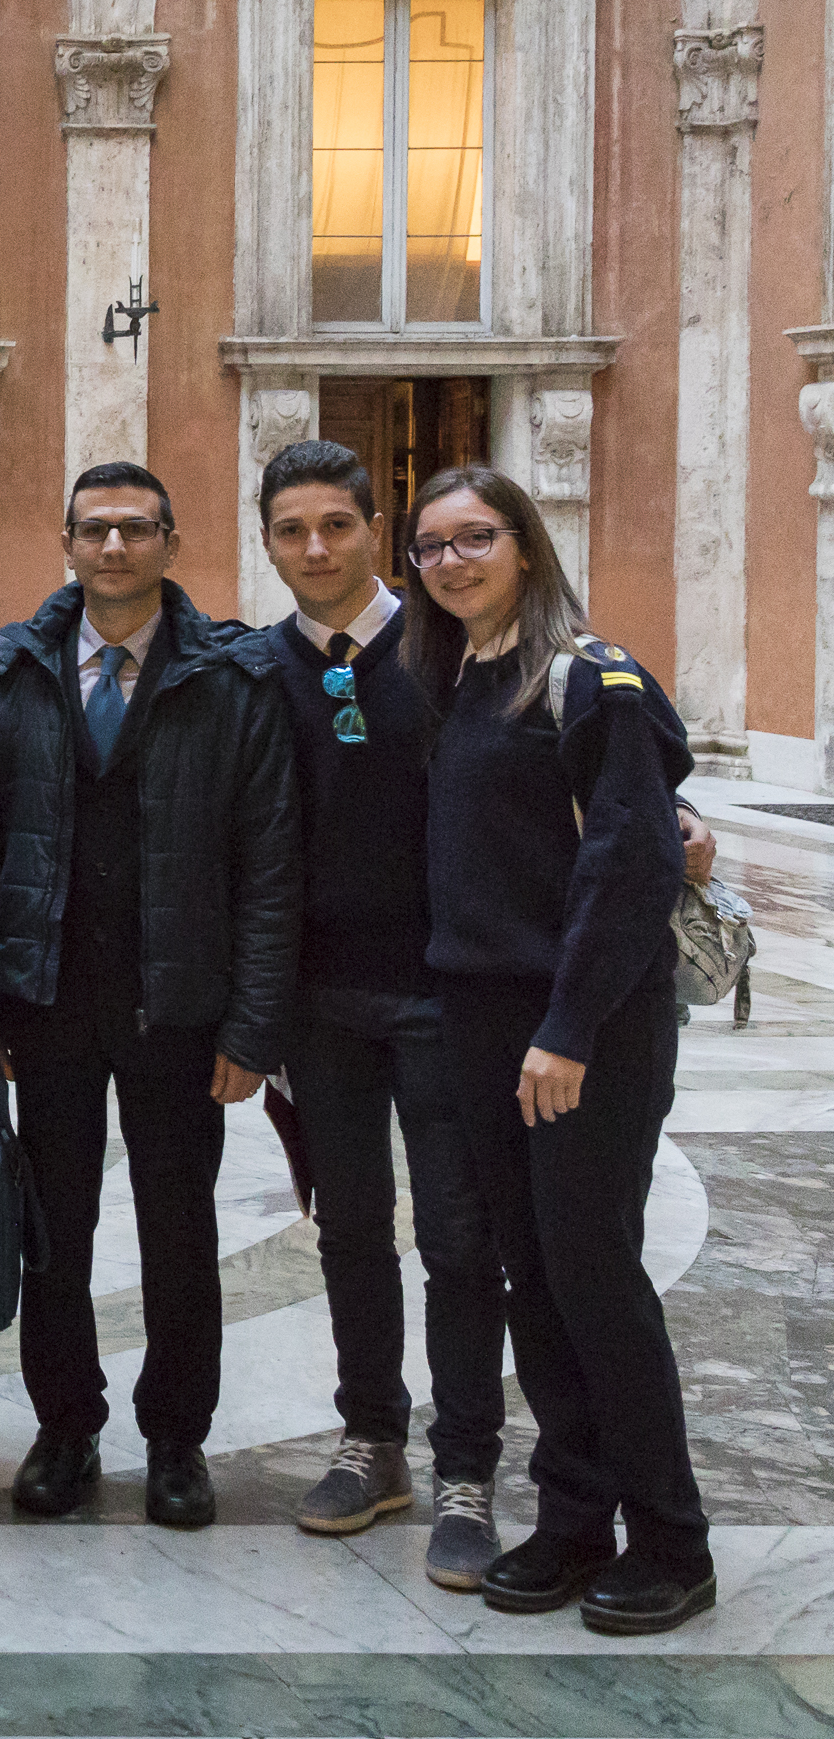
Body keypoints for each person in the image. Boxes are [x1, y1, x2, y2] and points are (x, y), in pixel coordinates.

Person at [0, 462, 298, 1532]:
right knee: (52, 1228)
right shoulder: (13, 671)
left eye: (135, 530)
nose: (114, 548)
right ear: (66, 543)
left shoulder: (232, 679)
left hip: (179, 1005)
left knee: (179, 1230)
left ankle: (175, 1440)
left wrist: (252, 1025)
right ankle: (65, 1428)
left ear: (170, 542)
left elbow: (271, 866)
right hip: (44, 1002)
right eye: (95, 530)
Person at [407, 466, 713, 1636]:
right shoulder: (459, 676)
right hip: (485, 1019)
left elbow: (633, 861)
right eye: (431, 548)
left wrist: (569, 1029)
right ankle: (577, 1517)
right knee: (532, 1277)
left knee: (595, 1277)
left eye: (475, 539)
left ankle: (673, 1540)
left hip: (582, 1023)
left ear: (525, 547)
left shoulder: (591, 675)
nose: (452, 563)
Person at [247, 441, 506, 1589]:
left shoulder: (455, 649)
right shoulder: (256, 670)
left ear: (374, 528)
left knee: (458, 1240)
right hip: (321, 1003)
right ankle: (375, 1441)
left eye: (336, 527)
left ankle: (468, 1471)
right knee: (350, 1230)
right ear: (267, 543)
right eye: (292, 529)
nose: (315, 548)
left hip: (446, 995)